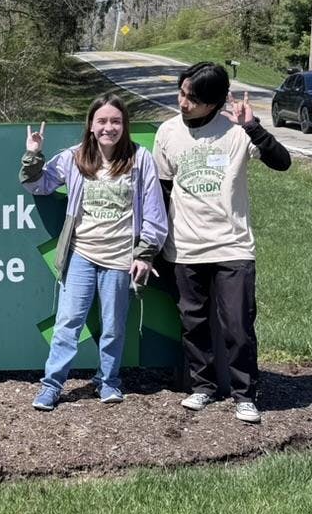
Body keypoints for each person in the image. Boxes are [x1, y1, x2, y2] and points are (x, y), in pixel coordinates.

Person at [153, 61, 291, 424]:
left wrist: (253, 127)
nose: (183, 103)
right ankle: (203, 386)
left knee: (238, 325)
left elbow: (282, 162)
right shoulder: (167, 132)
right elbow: (163, 191)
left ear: (214, 103)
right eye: (182, 93)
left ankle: (246, 395)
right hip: (184, 246)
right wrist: (156, 245)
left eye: (193, 99)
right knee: (193, 323)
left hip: (232, 244)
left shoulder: (237, 132)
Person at [20, 93, 168, 411]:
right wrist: (33, 155)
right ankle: (51, 385)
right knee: (68, 324)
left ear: (124, 125)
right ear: (90, 125)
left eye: (115, 121)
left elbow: (155, 212)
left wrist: (144, 254)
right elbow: (37, 185)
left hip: (120, 259)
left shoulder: (140, 159)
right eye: (101, 121)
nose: (108, 127)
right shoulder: (75, 157)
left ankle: (108, 381)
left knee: (114, 326)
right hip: (81, 255)